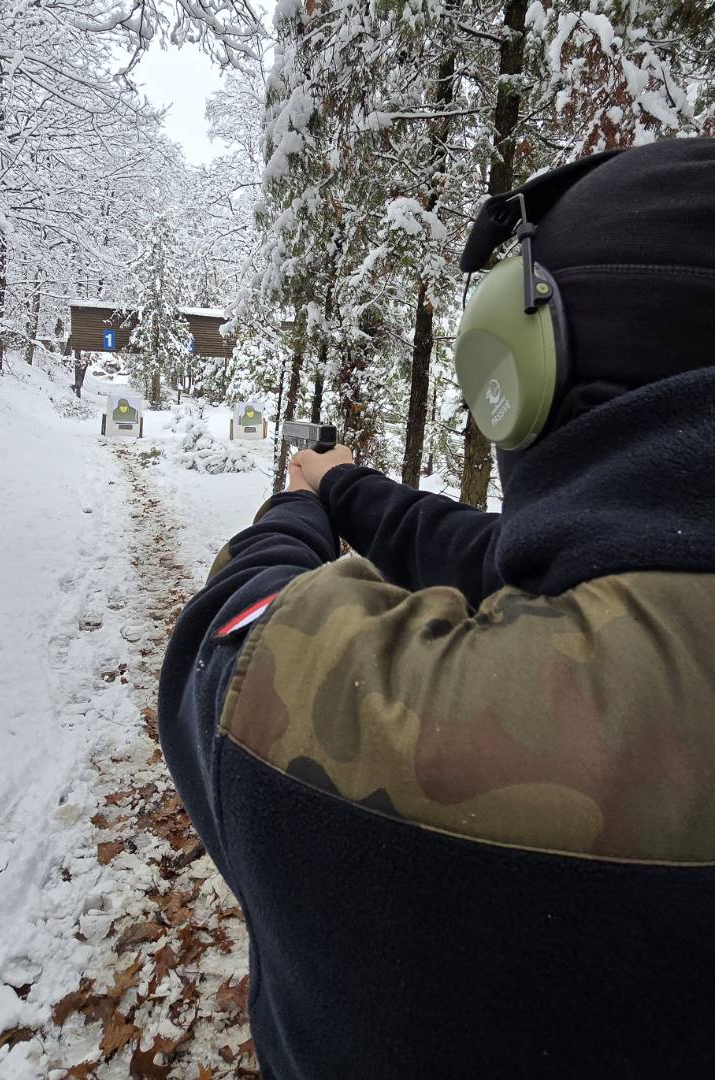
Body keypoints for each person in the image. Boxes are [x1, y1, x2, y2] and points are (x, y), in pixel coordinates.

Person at [158, 138, 715, 1079]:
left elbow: (227, 635)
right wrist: (347, 487)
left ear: (525, 370)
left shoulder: (422, 723)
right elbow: (503, 559)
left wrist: (295, 509)